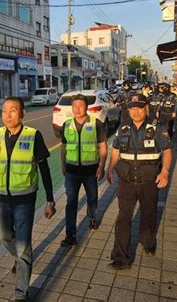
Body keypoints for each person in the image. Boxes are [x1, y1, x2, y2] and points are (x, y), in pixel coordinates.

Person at [0, 97, 56, 302]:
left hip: (25, 200)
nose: (8, 114)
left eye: (13, 110)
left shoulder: (33, 135)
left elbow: (45, 169)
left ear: (22, 113)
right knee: (3, 236)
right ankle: (20, 258)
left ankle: (21, 292)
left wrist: (50, 200)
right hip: (1, 199)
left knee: (23, 245)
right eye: (4, 110)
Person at [107, 93, 172, 270]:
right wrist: (110, 168)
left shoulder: (157, 127)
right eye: (132, 108)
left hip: (149, 181)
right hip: (126, 181)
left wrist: (165, 172)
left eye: (139, 107)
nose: (135, 112)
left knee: (148, 214)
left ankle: (148, 241)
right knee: (123, 217)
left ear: (146, 108)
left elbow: (166, 151)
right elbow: (115, 151)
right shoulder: (123, 128)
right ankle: (121, 257)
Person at [60, 94, 107, 247]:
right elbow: (64, 146)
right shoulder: (66, 125)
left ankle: (92, 218)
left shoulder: (96, 123)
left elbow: (102, 146)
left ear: (86, 107)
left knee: (92, 198)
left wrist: (102, 165)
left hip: (90, 171)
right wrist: (62, 164)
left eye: (80, 106)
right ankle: (70, 235)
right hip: (72, 171)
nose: (77, 109)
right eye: (74, 106)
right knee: (71, 202)